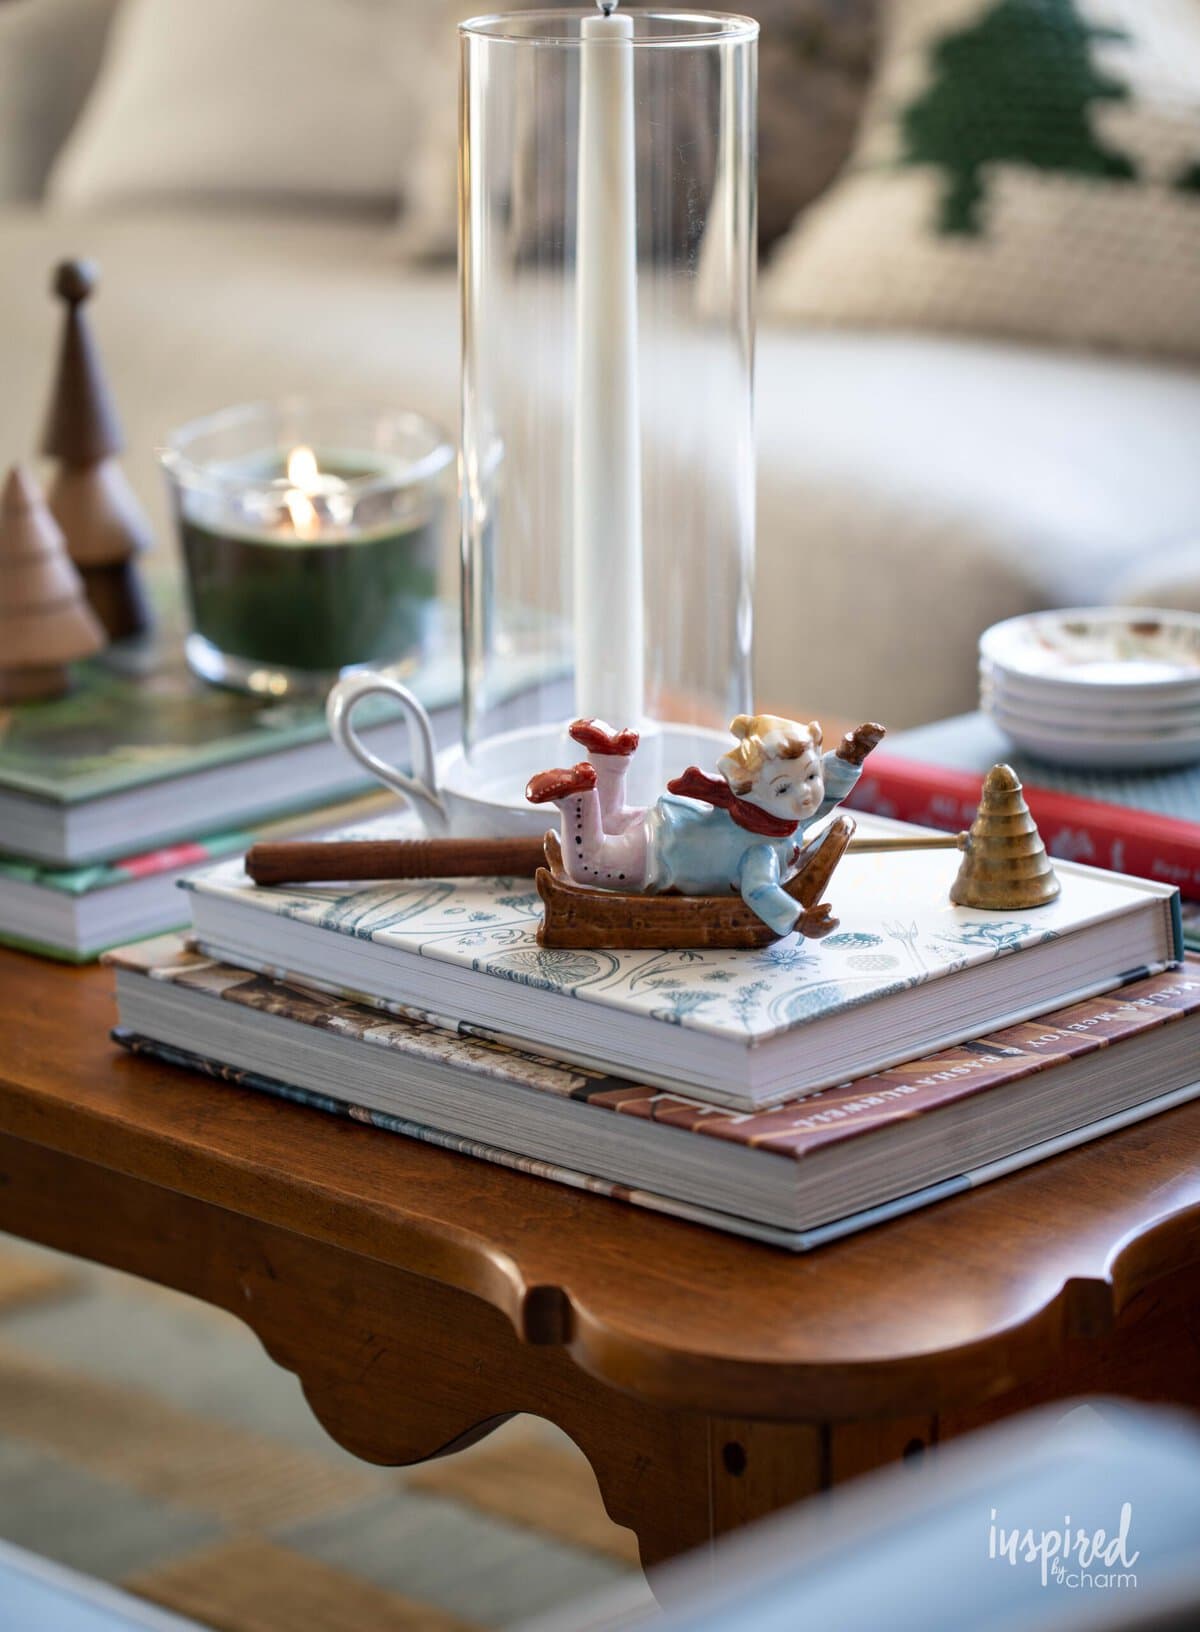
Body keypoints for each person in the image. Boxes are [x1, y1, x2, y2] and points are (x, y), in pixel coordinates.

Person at [527, 713, 885, 936]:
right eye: (785, 787)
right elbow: (759, 891)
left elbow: (825, 797)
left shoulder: (782, 815)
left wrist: (848, 758)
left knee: (612, 819)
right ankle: (578, 797)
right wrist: (798, 919)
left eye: (810, 774)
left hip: (665, 823)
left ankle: (608, 758)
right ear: (749, 792)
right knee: (588, 864)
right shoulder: (761, 847)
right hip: (658, 858)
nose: (806, 794)